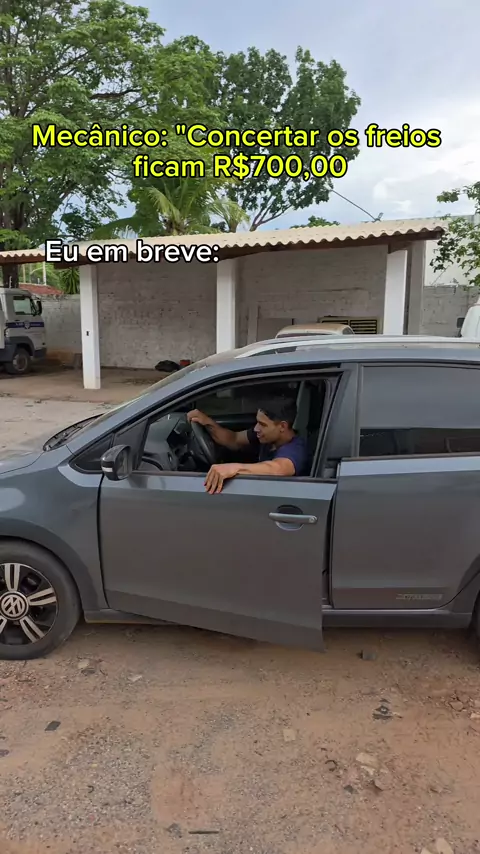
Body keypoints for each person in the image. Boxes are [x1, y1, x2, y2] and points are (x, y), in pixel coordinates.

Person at [187, 399, 308, 494]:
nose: (256, 428)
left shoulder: (296, 449)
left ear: (282, 426)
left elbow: (279, 468)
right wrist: (207, 421)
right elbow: (233, 439)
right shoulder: (268, 437)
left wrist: (234, 468)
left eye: (262, 424)